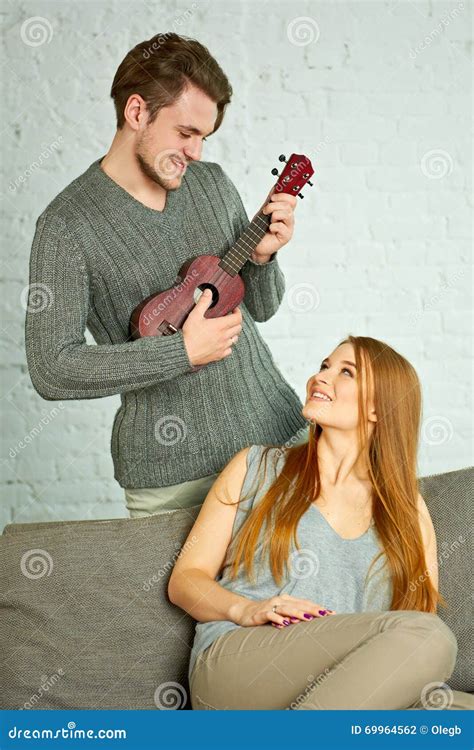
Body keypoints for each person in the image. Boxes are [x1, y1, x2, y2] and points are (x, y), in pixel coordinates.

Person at [24, 33, 309, 517]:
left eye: (204, 137)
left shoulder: (214, 185)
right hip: (176, 478)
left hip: (278, 439)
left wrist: (263, 259)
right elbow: (52, 367)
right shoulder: (66, 227)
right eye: (185, 133)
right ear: (137, 113)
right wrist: (180, 352)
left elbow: (261, 308)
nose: (196, 151)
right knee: (189, 596)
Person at [168, 336, 474, 710]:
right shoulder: (257, 467)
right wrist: (244, 610)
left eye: (346, 372)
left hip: (343, 688)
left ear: (379, 408)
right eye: (325, 365)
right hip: (240, 662)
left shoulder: (407, 508)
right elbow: (186, 579)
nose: (320, 377)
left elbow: (410, 632)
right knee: (430, 636)